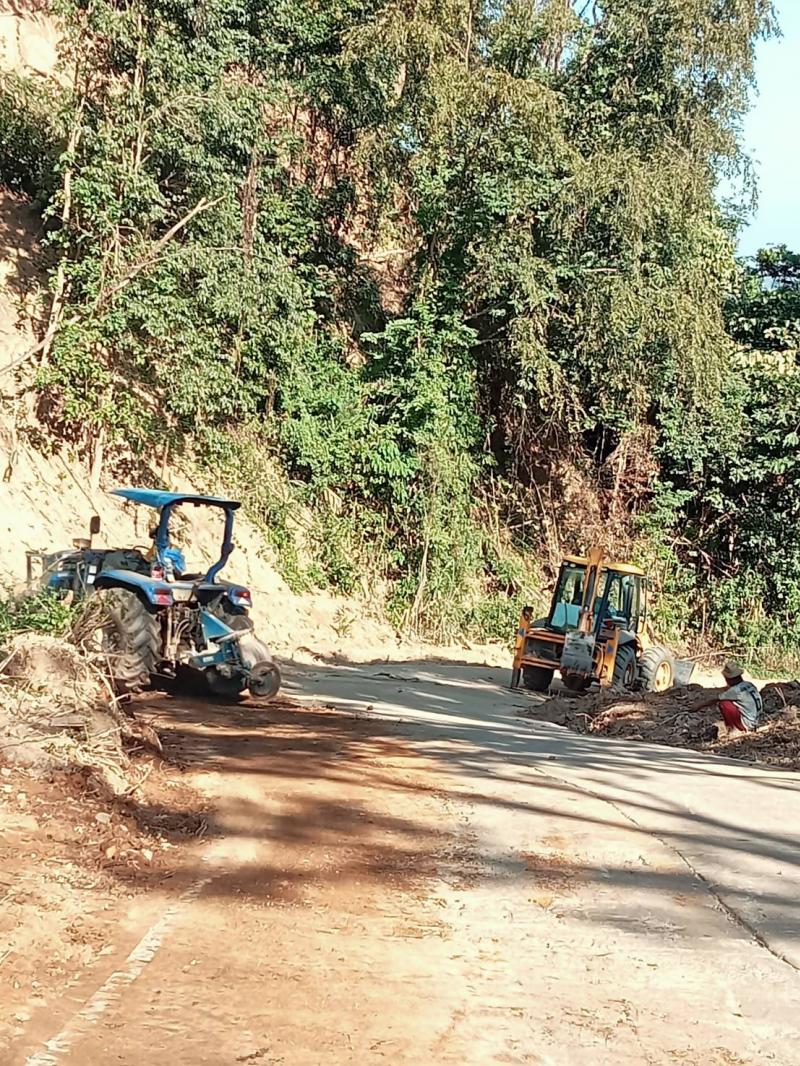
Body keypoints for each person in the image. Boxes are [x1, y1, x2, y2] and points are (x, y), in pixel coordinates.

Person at [694, 661, 763, 733]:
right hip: (756, 720)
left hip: (747, 723)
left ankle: (733, 729)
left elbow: (716, 699)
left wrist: (698, 706)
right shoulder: (748, 684)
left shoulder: (735, 691)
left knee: (724, 703)